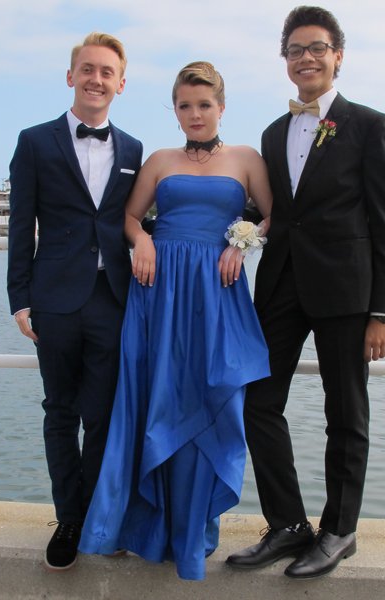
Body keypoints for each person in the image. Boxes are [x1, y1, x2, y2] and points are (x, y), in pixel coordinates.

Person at [226, 6, 385, 579]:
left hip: (346, 291)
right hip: (280, 285)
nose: (306, 58)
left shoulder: (370, 125)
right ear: (284, 60)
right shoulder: (272, 133)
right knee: (257, 403)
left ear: (338, 56)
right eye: (295, 50)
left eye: (317, 48)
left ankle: (339, 530)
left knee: (345, 412)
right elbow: (271, 209)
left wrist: (384, 310)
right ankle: (287, 525)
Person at [78, 62, 272, 580]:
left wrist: (244, 242)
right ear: (176, 110)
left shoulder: (247, 159)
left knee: (209, 397)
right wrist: (142, 238)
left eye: (204, 104)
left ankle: (191, 532)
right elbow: (127, 217)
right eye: (185, 105)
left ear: (222, 107)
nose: (195, 114)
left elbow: (274, 215)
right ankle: (144, 528)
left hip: (217, 291)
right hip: (158, 292)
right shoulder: (160, 160)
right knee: (155, 399)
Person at [6, 32, 143, 571]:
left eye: (107, 72)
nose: (96, 79)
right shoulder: (34, 141)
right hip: (54, 299)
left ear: (121, 84)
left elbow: (135, 219)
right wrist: (19, 297)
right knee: (60, 411)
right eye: (87, 69)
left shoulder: (133, 149)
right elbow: (22, 225)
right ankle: (69, 519)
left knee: (104, 416)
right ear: (71, 76)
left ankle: (98, 518)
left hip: (112, 299)